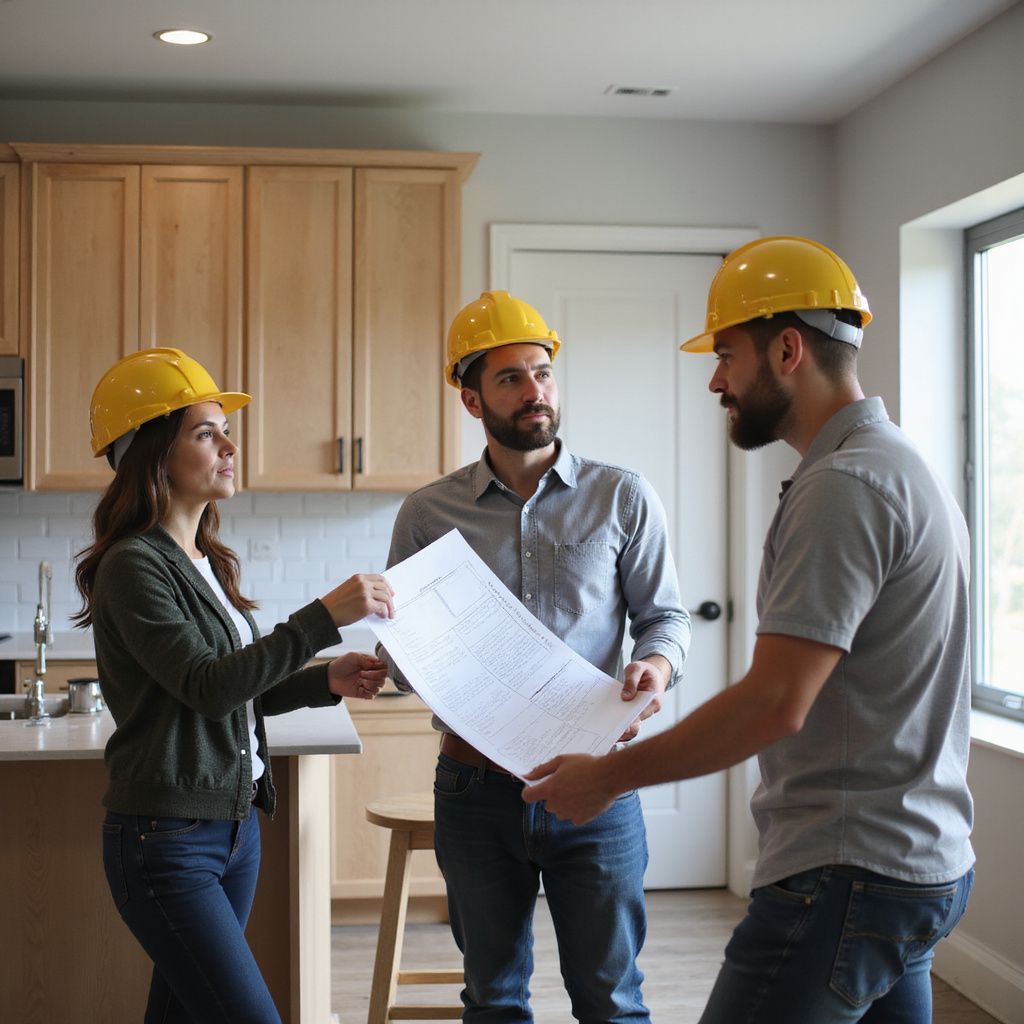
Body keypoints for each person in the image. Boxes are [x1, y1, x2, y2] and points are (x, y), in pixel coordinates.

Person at [523, 237, 975, 1024]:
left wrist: (607, 776)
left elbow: (776, 702)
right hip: (922, 863)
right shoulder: (901, 464)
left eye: (727, 354)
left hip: (847, 871)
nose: (716, 379)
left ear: (789, 349)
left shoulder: (843, 486)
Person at [377, 290, 690, 1023]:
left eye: (543, 372)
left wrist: (657, 667)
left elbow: (665, 617)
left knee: (612, 1000)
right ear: (471, 398)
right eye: (511, 379)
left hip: (597, 783)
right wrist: (396, 656)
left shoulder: (623, 497)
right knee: (493, 999)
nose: (534, 392)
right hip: (474, 791)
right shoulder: (427, 514)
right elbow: (405, 651)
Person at [73, 347, 396, 1024]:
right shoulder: (133, 565)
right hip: (165, 841)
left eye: (224, 428)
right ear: (152, 452)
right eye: (204, 432)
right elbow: (206, 686)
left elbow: (223, 696)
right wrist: (322, 619)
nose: (229, 444)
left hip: (233, 827)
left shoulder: (202, 560)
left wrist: (320, 681)